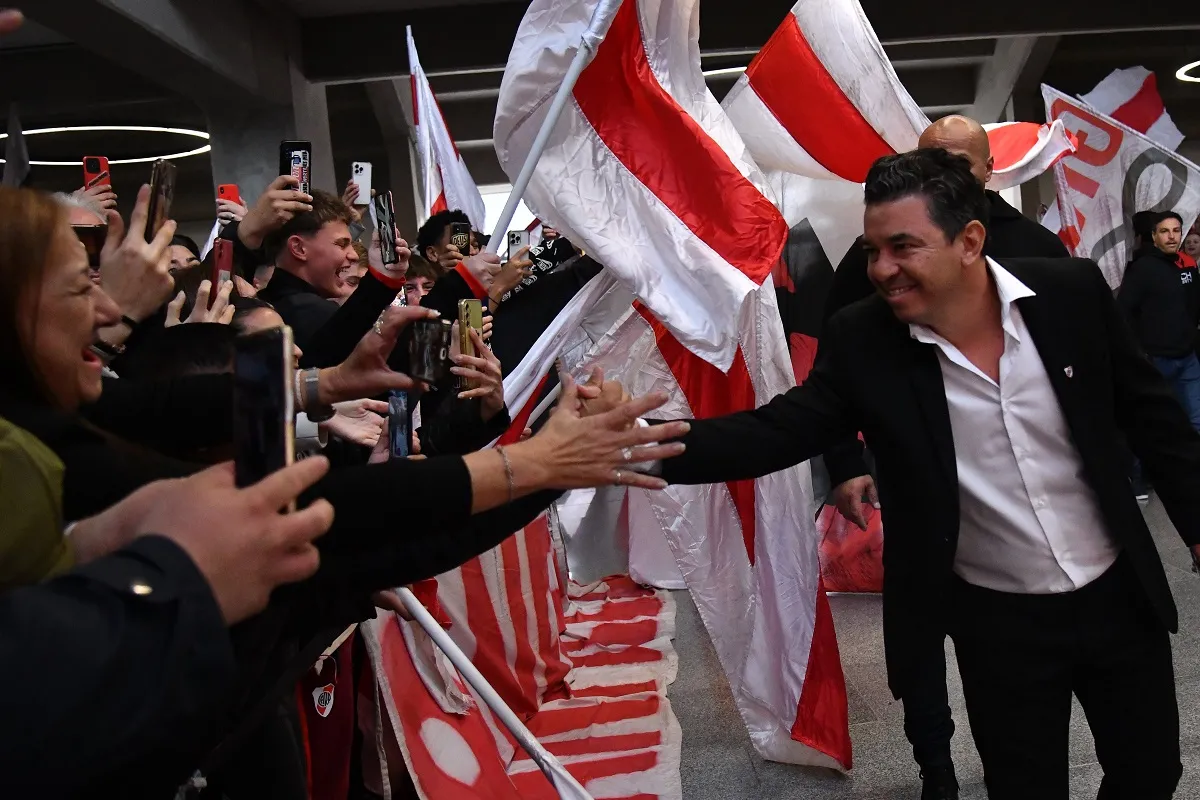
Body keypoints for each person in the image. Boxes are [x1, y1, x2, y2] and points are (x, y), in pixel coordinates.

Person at [649, 149, 1198, 799]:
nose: (881, 269)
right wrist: (639, 447)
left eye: (902, 247)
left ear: (969, 241)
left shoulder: (1069, 296)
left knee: (1152, 772)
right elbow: (778, 430)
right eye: (873, 248)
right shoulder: (867, 339)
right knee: (1025, 787)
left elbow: (1155, 419)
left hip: (1116, 595)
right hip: (998, 623)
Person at [819, 114, 1071, 798]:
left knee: (1012, 660)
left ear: (989, 173)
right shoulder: (878, 259)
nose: (944, 175)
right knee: (919, 644)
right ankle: (933, 765)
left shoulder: (1039, 252)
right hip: (918, 491)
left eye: (958, 163)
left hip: (1018, 510)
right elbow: (831, 367)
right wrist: (844, 461)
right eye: (930, 160)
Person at [1118, 210, 1200, 433]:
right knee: (1156, 424)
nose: (1172, 236)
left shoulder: (1187, 265)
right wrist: (1140, 354)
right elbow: (1124, 313)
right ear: (1154, 236)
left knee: (1195, 421)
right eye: (1165, 231)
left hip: (1188, 358)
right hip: (1157, 361)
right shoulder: (1142, 269)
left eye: (1176, 231)